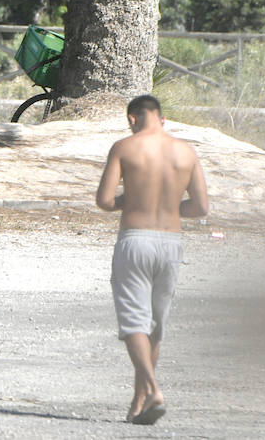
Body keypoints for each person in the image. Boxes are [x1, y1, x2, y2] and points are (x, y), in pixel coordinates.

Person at [94, 94, 210, 426]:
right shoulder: (186, 151)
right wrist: (172, 207)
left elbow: (103, 200)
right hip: (171, 243)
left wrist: (129, 201)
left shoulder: (124, 147)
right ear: (162, 119)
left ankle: (154, 390)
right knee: (155, 325)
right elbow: (201, 207)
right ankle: (139, 401)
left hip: (136, 239)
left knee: (133, 321)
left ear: (132, 119)